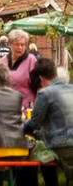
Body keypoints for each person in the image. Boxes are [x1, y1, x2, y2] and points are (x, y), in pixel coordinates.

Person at [24, 58, 73, 186]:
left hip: (62, 146)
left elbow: (34, 124)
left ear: (41, 78)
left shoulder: (45, 93)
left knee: (36, 152)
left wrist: (20, 126)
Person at [2, 29, 38, 109]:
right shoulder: (3, 61)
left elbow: (38, 86)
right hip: (6, 107)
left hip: (26, 107)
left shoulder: (31, 60)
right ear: (10, 45)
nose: (20, 47)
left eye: (23, 45)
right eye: (17, 44)